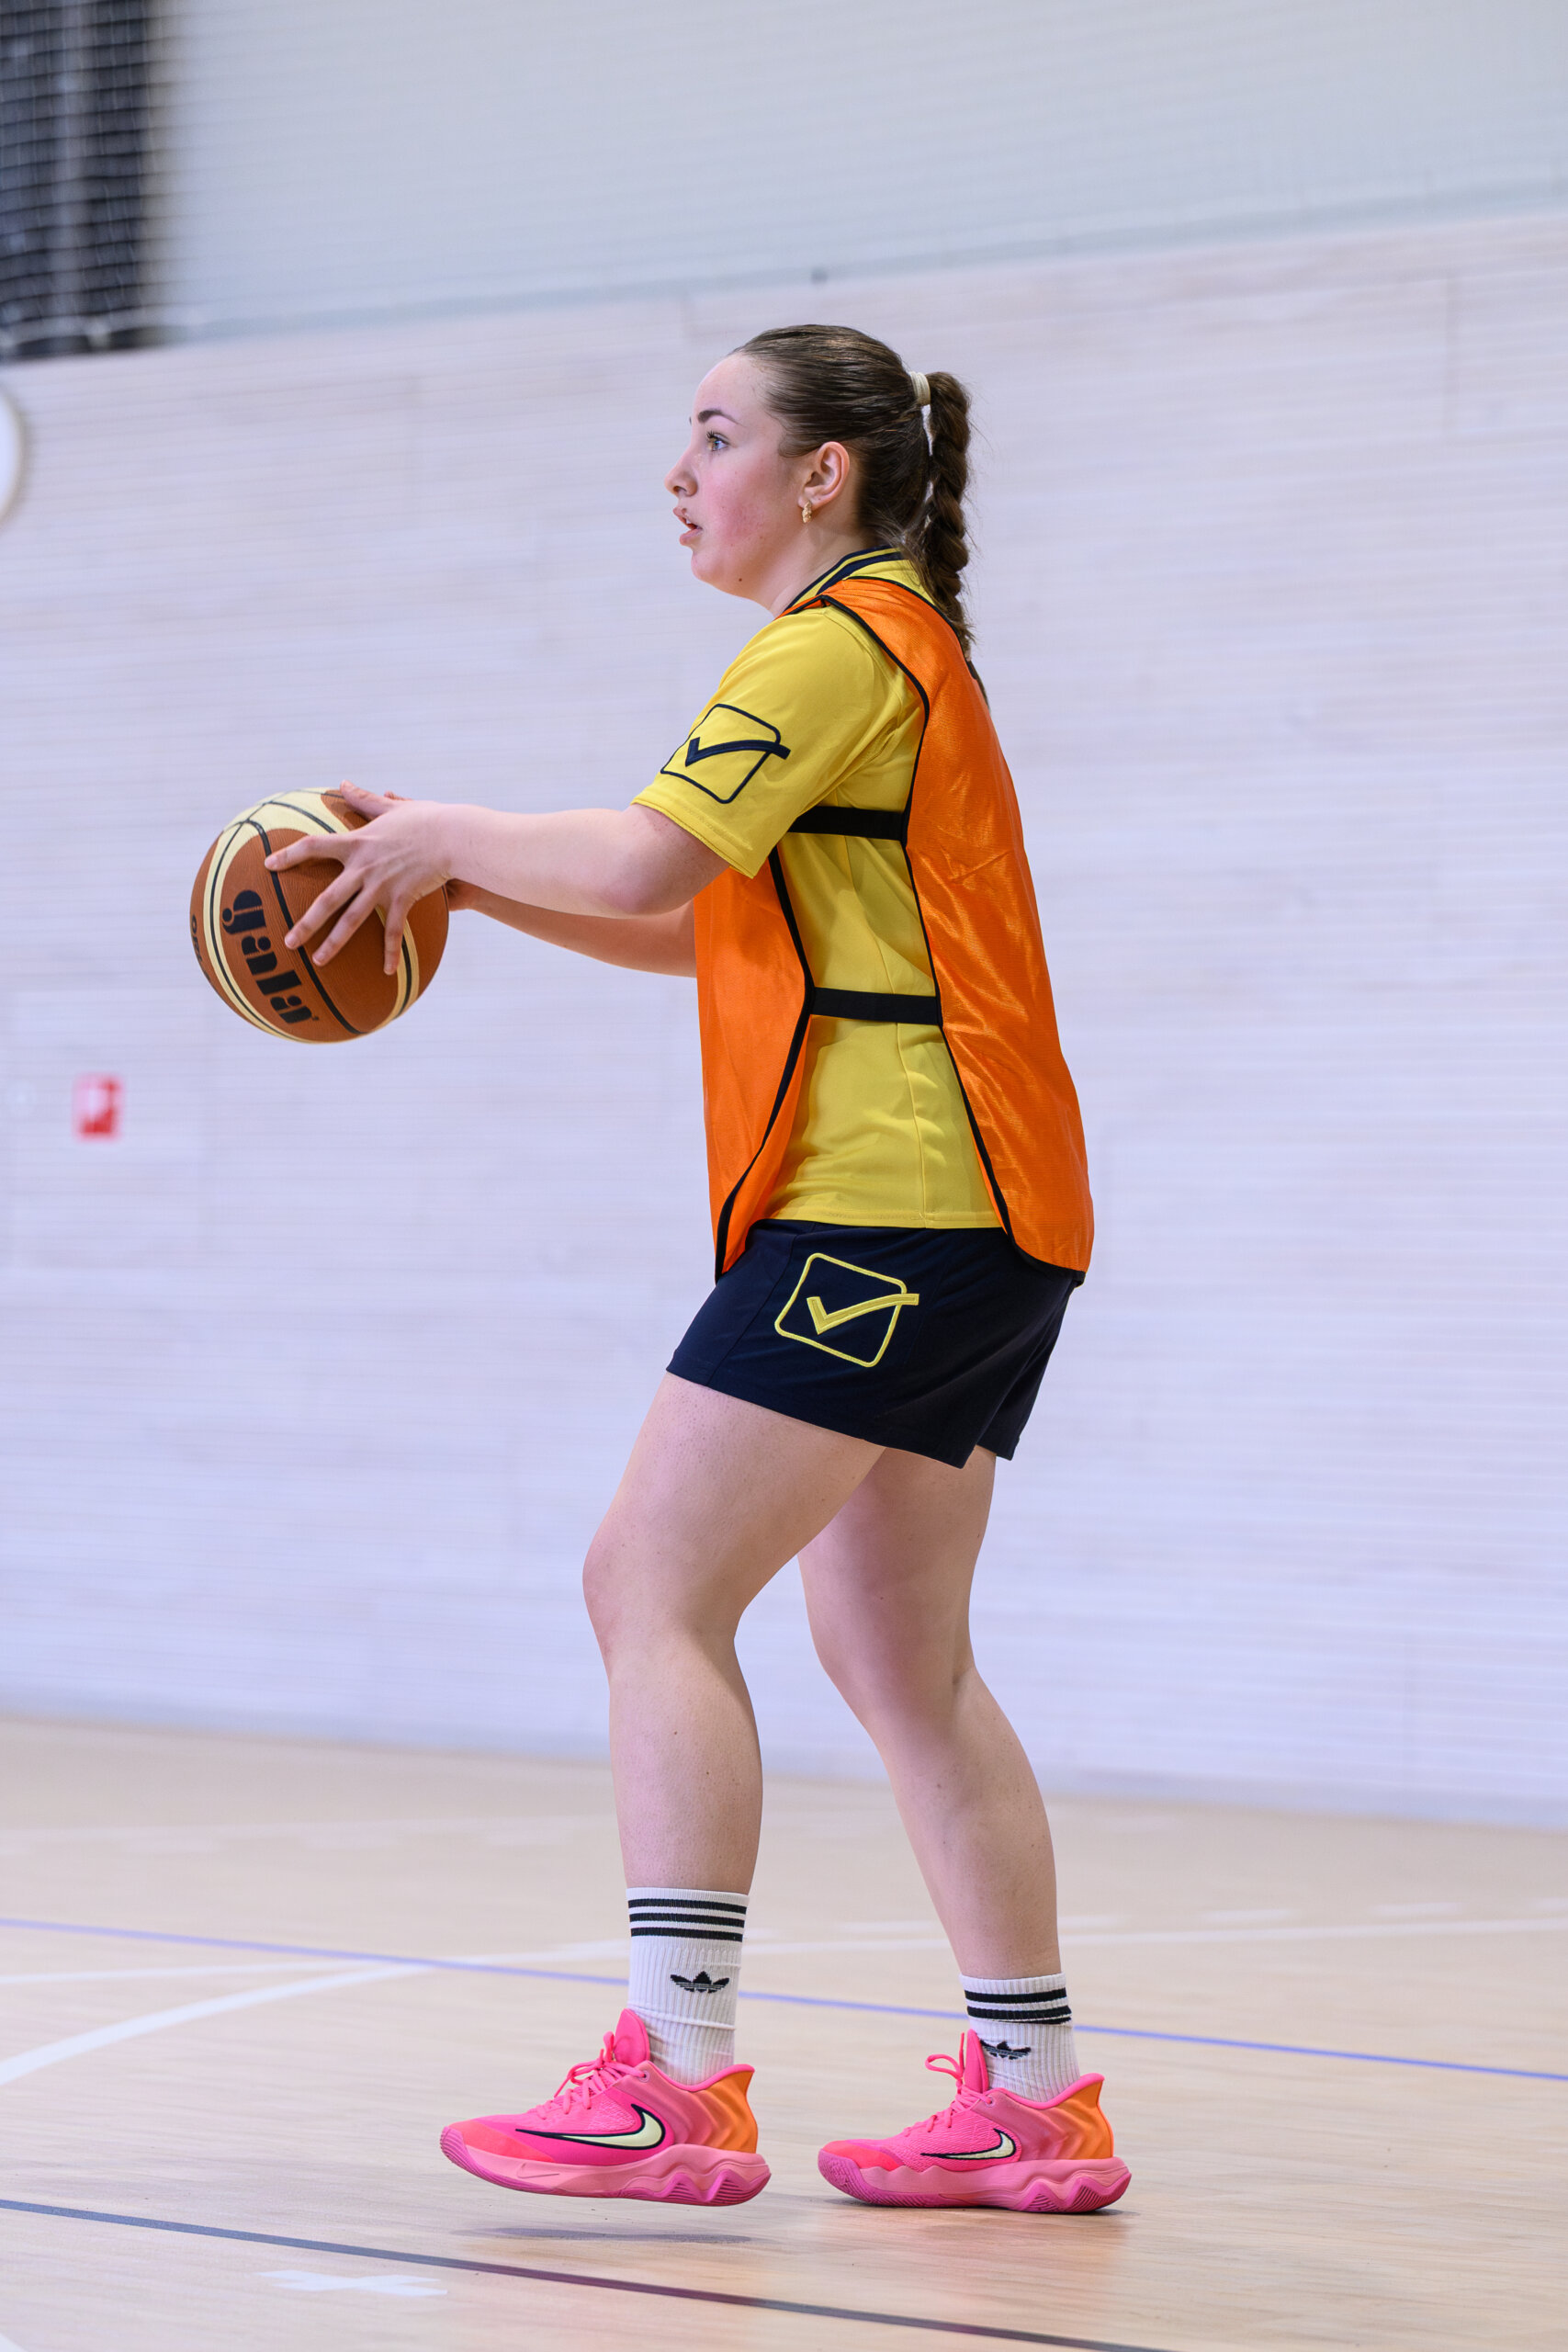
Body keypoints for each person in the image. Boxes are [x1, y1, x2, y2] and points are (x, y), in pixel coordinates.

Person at [266, 323, 1130, 2216]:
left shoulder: (831, 642)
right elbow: (714, 930)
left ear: (823, 474)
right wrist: (464, 886)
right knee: (899, 1658)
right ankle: (1034, 2097)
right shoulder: (894, 647)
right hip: (988, 1215)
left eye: (718, 435)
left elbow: (652, 864)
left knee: (647, 1581)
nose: (681, 472)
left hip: (885, 1205)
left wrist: (443, 829)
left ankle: (671, 2075)